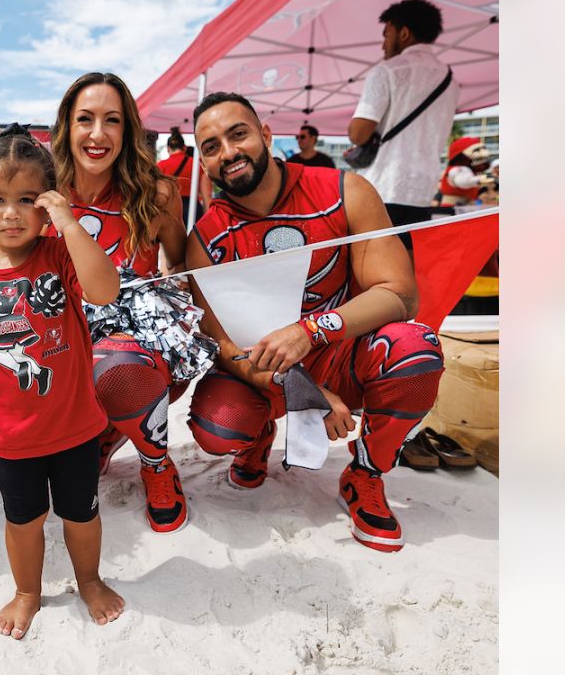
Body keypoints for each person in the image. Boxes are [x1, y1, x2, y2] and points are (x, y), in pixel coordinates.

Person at [186, 92, 444, 553]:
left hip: (343, 356)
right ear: (203, 163)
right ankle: (257, 437)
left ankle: (366, 473)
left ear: (266, 136)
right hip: (264, 372)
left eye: (238, 134)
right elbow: (221, 345)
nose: (227, 152)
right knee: (217, 425)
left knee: (414, 348)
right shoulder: (206, 237)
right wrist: (298, 388)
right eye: (210, 146)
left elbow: (400, 294)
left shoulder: (345, 191)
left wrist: (310, 331)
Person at [0, 125, 124, 639]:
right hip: (12, 438)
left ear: (45, 204)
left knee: (82, 516)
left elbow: (105, 291)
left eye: (26, 200)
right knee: (24, 520)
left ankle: (89, 579)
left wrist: (67, 221)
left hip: (77, 428)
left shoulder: (59, 257)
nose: (11, 212)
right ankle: (28, 592)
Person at [46, 72, 192, 533]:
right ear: (66, 127)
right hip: (61, 348)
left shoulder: (157, 193)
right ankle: (105, 434)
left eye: (112, 121)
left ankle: (155, 461)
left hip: (135, 353)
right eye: (84, 119)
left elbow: (183, 269)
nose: (97, 134)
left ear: (127, 131)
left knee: (123, 364)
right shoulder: (43, 193)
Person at [348, 0, 458, 230]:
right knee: (409, 260)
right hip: (423, 188)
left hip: (384, 184)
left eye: (386, 35)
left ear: (404, 33)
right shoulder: (450, 80)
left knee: (371, 260)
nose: (383, 45)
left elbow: (358, 134)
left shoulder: (388, 70)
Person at [156, 127, 213, 224]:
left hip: (169, 209)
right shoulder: (197, 164)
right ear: (184, 147)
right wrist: (210, 219)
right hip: (193, 208)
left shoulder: (160, 165)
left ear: (168, 148)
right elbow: (206, 195)